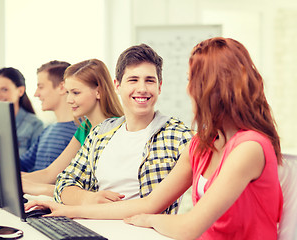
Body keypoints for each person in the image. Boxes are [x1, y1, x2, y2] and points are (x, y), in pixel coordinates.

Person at [26, 38, 284, 239]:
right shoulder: (201, 144)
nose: (188, 89)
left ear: (214, 86)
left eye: (192, 80)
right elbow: (149, 202)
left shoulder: (249, 147)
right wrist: (66, 210)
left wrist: (149, 219)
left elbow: (187, 227)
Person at [27, 44, 193, 213]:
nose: (142, 89)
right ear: (117, 86)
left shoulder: (177, 135)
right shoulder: (100, 133)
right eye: (133, 80)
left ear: (159, 86)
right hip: (91, 229)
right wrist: (87, 198)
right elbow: (64, 182)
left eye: (149, 80)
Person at [21, 58, 124, 196]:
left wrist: (29, 187)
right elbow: (51, 173)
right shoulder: (85, 128)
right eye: (68, 92)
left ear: (98, 91)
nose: (69, 100)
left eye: (76, 93)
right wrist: (7, 182)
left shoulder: (117, 130)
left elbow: (91, 191)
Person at [19, 60, 78, 172]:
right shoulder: (48, 130)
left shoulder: (80, 132)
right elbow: (23, 164)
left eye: (41, 87)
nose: (36, 94)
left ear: (62, 87)